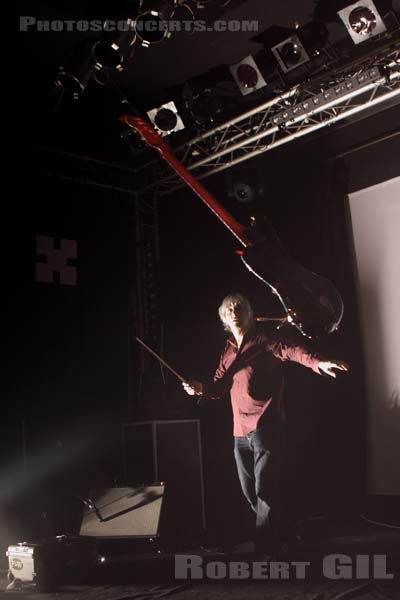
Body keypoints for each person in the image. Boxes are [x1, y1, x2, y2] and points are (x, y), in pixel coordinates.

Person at [182, 292, 348, 555]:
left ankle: (265, 549)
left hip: (265, 425)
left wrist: (319, 362)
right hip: (239, 431)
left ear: (249, 313)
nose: (234, 312)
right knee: (251, 493)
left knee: (265, 489)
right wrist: (200, 388)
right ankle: (284, 532)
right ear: (223, 318)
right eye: (228, 310)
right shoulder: (228, 349)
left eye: (239, 307)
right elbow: (219, 386)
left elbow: (295, 352)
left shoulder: (266, 340)